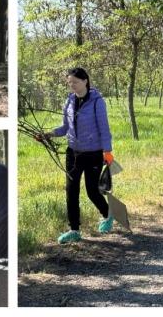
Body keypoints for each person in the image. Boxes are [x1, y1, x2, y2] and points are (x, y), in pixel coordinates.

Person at [40, 67, 114, 244]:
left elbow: (104, 129)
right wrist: (49, 134)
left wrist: (107, 151)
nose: (72, 85)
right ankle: (74, 229)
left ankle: (108, 214)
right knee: (71, 191)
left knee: (92, 191)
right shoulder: (69, 102)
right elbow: (65, 127)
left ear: (85, 81)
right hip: (73, 153)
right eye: (69, 82)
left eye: (75, 82)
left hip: (94, 153)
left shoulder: (97, 102)